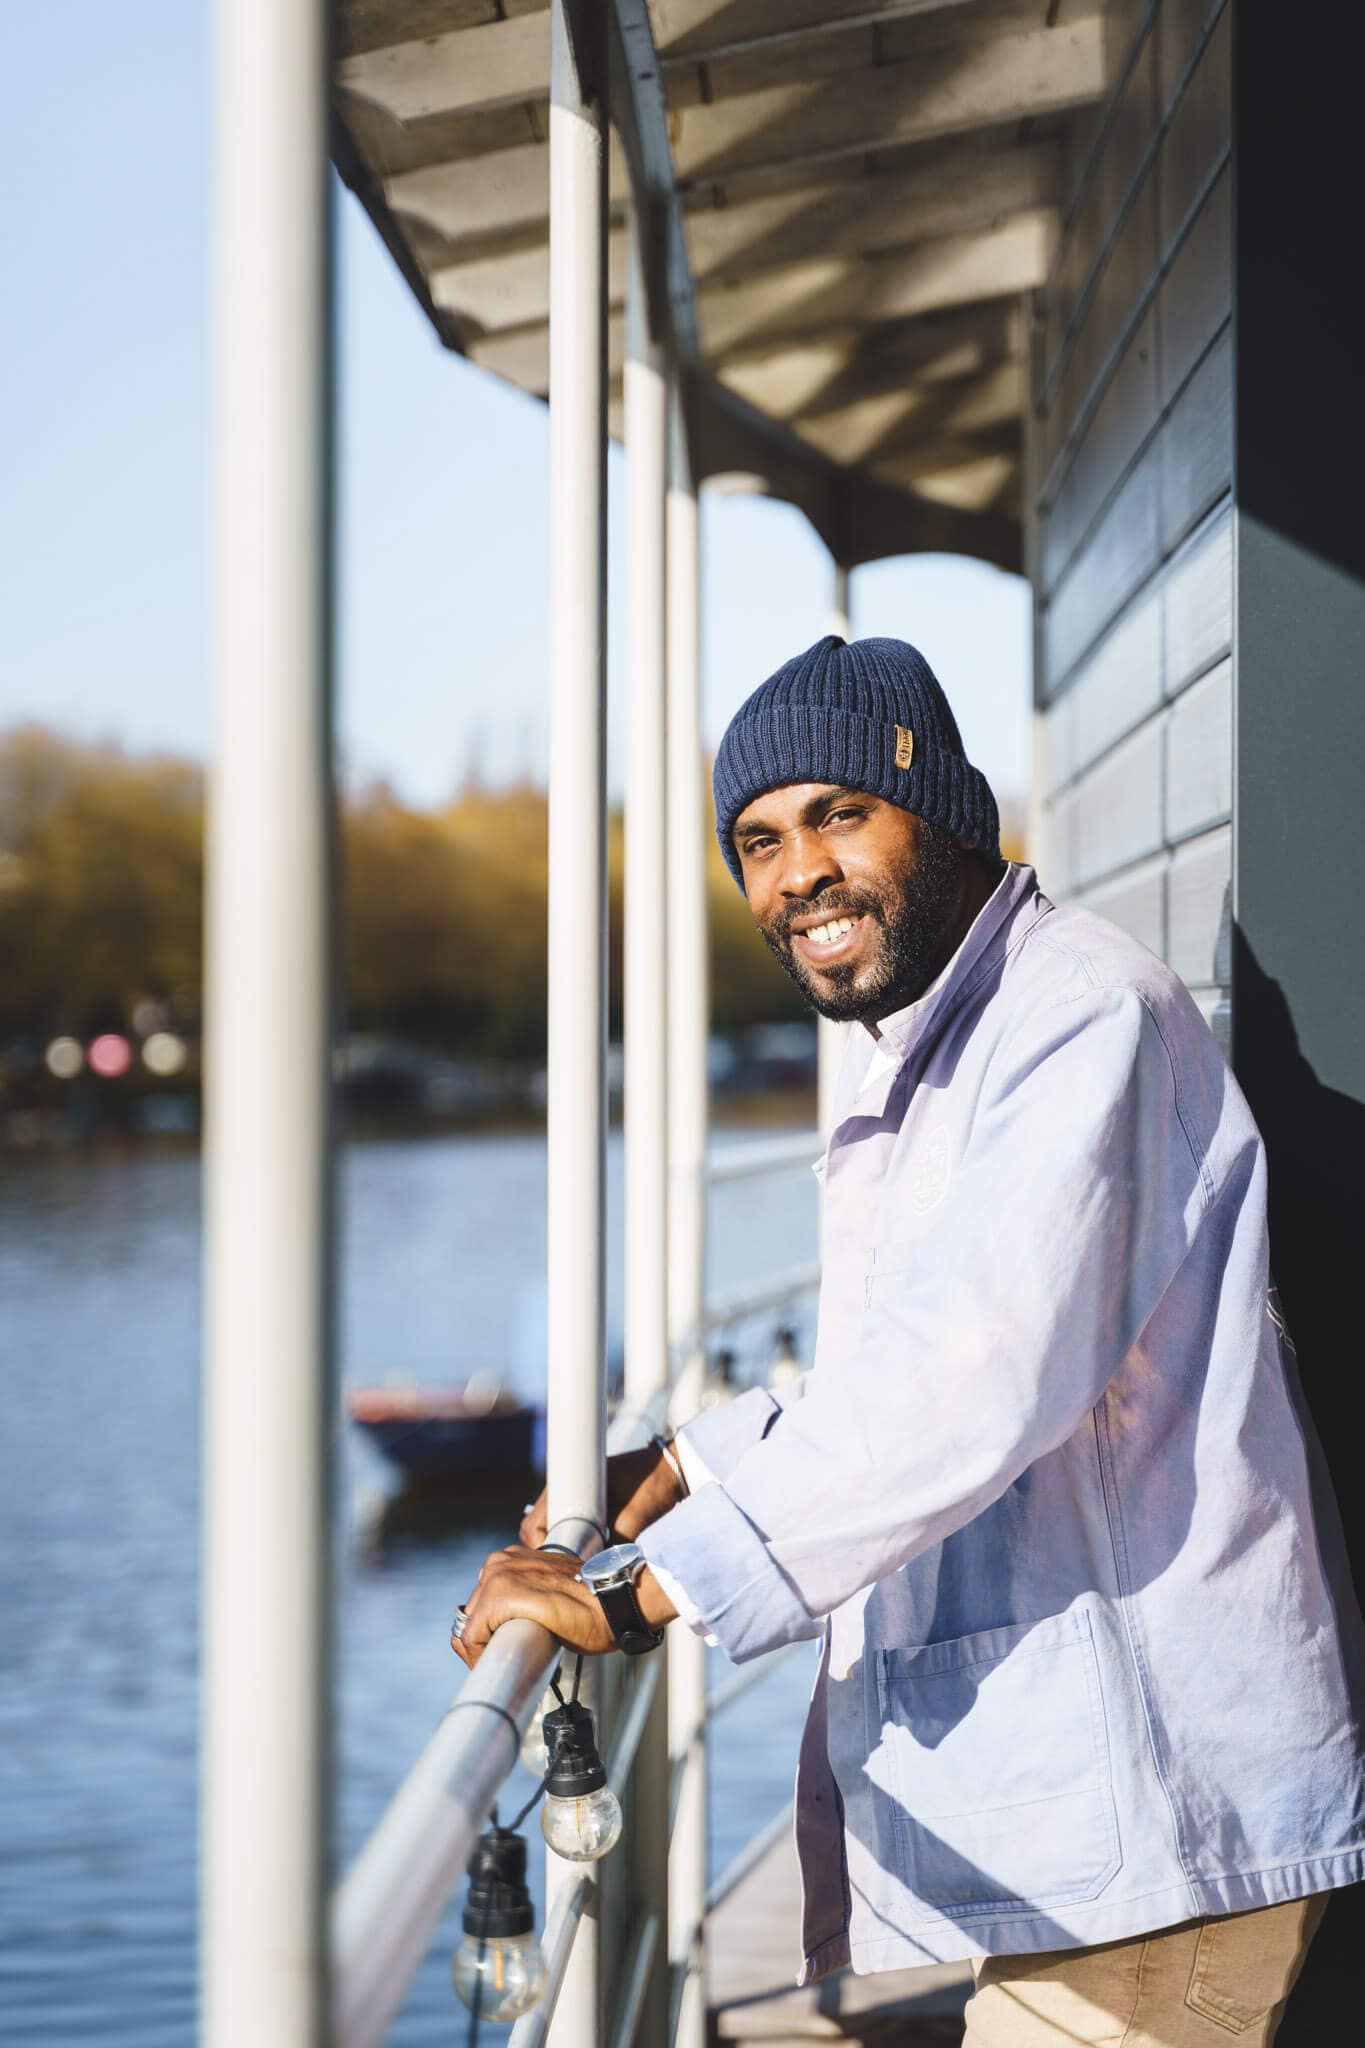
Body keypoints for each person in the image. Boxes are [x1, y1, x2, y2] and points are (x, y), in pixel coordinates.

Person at [451, 636, 1365, 2045]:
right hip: (1097, 1842)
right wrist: (688, 1464)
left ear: (943, 813)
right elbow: (920, 1357)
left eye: (839, 814)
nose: (797, 874)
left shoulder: (1078, 1018)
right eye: (758, 840)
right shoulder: (946, 1037)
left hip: (1154, 1835)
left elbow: (978, 1364)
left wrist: (644, 1594)